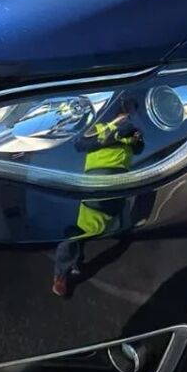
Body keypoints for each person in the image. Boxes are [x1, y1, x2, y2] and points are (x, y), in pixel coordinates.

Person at [52, 102, 145, 297]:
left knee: (115, 222)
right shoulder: (100, 127)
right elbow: (80, 144)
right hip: (98, 179)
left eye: (131, 113)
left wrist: (134, 138)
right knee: (85, 227)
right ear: (116, 111)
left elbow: (139, 148)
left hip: (121, 182)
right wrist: (111, 134)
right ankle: (62, 274)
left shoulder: (132, 130)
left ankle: (77, 260)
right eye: (126, 111)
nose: (128, 116)